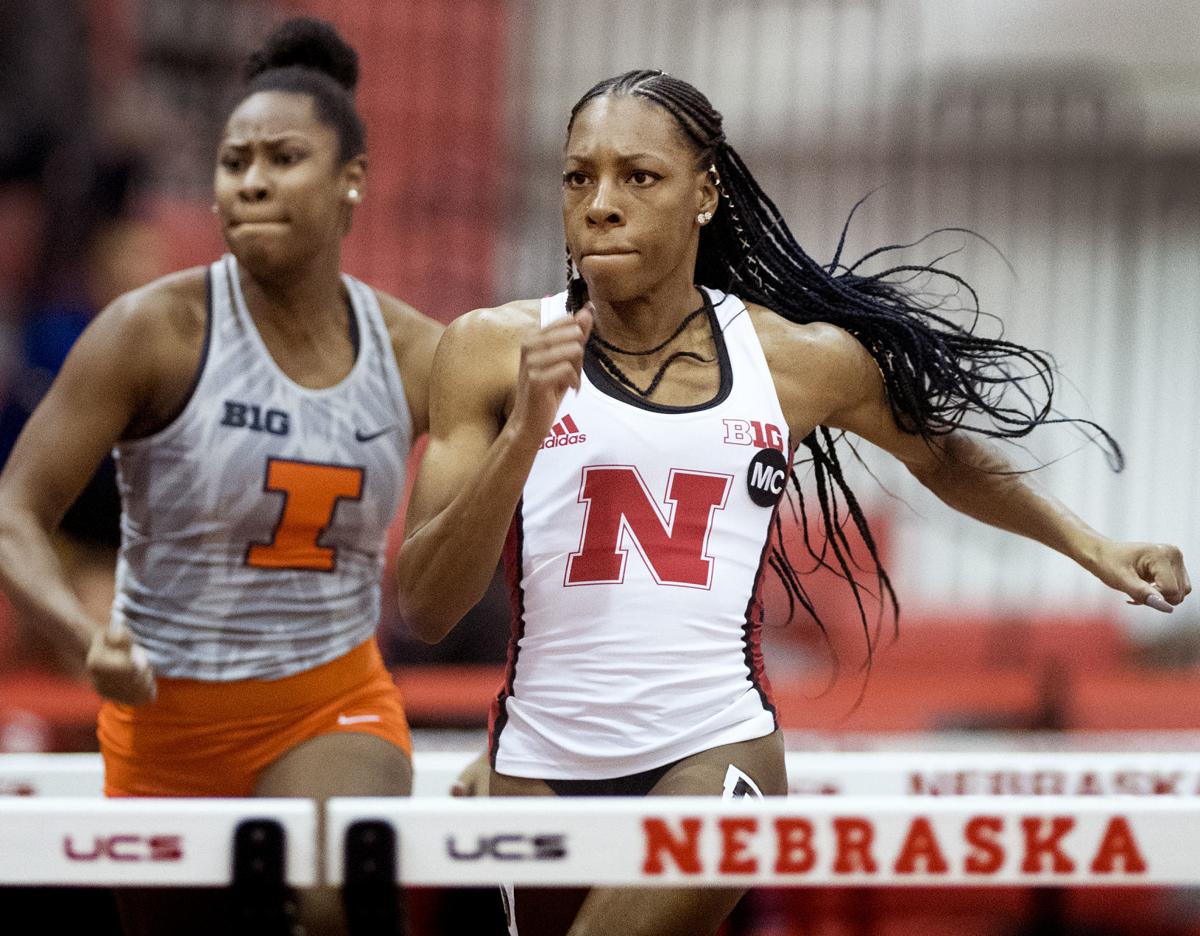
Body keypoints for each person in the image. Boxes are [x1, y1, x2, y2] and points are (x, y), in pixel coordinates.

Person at [397, 68, 1191, 936]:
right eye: (578, 176)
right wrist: (521, 443)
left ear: (705, 194)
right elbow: (429, 607)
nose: (601, 203)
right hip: (539, 760)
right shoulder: (488, 350)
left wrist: (1094, 547)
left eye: (640, 176)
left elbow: (943, 459)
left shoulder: (798, 361)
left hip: (715, 748)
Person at [0, 17, 441, 936]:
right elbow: (14, 510)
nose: (251, 180)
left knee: (336, 895)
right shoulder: (151, 331)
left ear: (352, 179)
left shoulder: (413, 351)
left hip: (332, 705)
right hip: (164, 727)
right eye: (234, 160)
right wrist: (80, 632)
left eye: (284, 157)